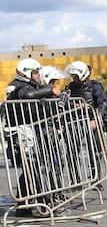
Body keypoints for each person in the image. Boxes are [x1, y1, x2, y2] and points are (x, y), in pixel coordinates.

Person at [5, 59, 62, 217]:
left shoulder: (34, 86)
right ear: (25, 73)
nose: (38, 75)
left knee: (32, 168)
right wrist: (51, 91)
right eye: (35, 72)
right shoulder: (16, 86)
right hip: (20, 135)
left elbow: (47, 103)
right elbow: (26, 95)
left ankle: (23, 206)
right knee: (33, 168)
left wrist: (60, 96)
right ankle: (43, 203)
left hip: (31, 133)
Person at [65, 61, 105, 190]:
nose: (74, 79)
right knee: (72, 152)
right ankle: (75, 181)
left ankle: (96, 179)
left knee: (95, 152)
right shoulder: (70, 87)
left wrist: (95, 119)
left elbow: (101, 105)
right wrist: (70, 102)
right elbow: (62, 104)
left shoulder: (95, 87)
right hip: (74, 122)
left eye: (76, 76)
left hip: (91, 122)